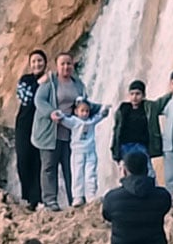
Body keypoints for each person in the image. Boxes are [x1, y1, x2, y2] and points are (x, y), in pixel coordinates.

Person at [31, 52, 88, 211]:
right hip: (50, 132)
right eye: (62, 64)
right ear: (57, 66)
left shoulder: (78, 84)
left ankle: (74, 199)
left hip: (70, 134)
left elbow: (84, 103)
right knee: (49, 166)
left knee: (71, 167)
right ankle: (50, 201)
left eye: (68, 64)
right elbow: (39, 100)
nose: (66, 67)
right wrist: (50, 112)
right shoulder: (50, 82)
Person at [101, 151, 173, 244]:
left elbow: (106, 215)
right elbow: (166, 206)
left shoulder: (112, 199)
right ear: (147, 170)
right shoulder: (162, 196)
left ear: (124, 171)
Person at [56, 97, 110, 206]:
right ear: (76, 111)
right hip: (77, 153)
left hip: (90, 152)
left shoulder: (91, 121)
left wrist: (105, 109)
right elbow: (63, 119)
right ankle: (78, 196)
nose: (85, 113)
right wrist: (58, 115)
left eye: (87, 111)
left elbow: (101, 116)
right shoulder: (73, 121)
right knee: (77, 174)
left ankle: (90, 195)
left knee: (91, 173)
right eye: (82, 111)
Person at [111, 79, 164, 182]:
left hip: (141, 146)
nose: (134, 97)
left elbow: (162, 102)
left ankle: (152, 193)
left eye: (138, 94)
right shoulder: (123, 109)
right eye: (132, 94)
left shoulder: (148, 107)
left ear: (143, 95)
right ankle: (126, 195)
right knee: (125, 174)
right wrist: (115, 151)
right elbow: (116, 130)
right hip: (125, 147)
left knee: (149, 173)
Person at [14, 50, 48, 208]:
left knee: (38, 161)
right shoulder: (25, 80)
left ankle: (36, 199)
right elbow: (25, 98)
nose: (37, 64)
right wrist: (39, 83)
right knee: (23, 159)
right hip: (24, 125)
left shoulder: (50, 80)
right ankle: (26, 195)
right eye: (34, 61)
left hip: (42, 125)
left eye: (40, 61)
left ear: (45, 63)